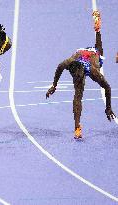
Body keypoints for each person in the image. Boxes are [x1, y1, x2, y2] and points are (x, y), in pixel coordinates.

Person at [46, 10, 116, 139]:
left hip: (92, 55)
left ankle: (98, 30)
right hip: (80, 54)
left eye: (79, 77)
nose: (78, 79)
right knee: (77, 95)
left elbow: (107, 87)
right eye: (76, 76)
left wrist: (108, 107)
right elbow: (59, 68)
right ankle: (77, 126)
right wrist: (54, 86)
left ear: (83, 72)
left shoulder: (93, 71)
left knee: (99, 52)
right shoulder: (69, 62)